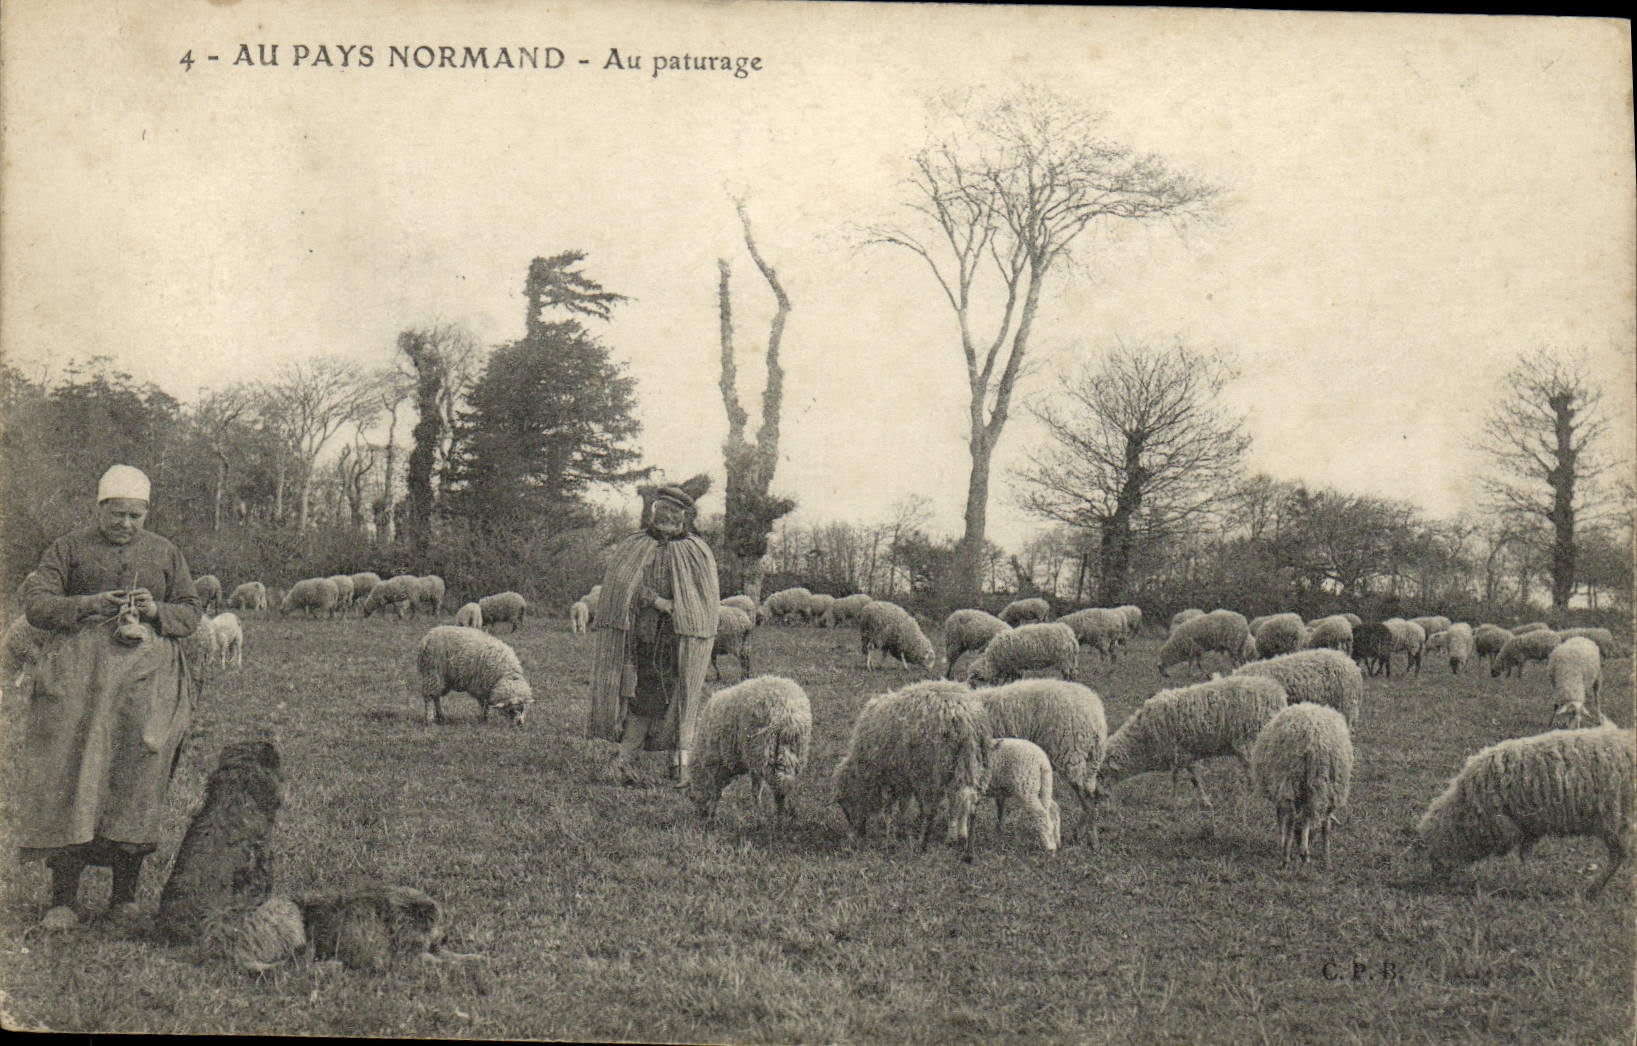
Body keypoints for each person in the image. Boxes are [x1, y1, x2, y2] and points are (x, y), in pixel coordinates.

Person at [19, 464, 202, 930]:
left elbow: (191, 612)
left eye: (135, 516)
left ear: (147, 514)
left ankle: (125, 898)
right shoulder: (68, 548)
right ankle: (63, 899)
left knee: (135, 777)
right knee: (71, 774)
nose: (125, 524)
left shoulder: (165, 552)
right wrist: (88, 604)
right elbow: (37, 604)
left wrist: (157, 609)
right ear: (100, 508)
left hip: (145, 685)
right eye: (116, 514)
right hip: (79, 684)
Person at [587, 483, 720, 787]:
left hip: (682, 640)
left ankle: (680, 766)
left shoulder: (696, 550)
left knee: (681, 696)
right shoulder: (635, 545)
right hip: (644, 635)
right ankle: (624, 760)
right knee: (643, 694)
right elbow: (625, 586)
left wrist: (685, 609)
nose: (666, 517)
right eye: (662, 510)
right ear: (653, 512)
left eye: (674, 512)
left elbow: (704, 596)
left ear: (683, 518)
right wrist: (656, 601)